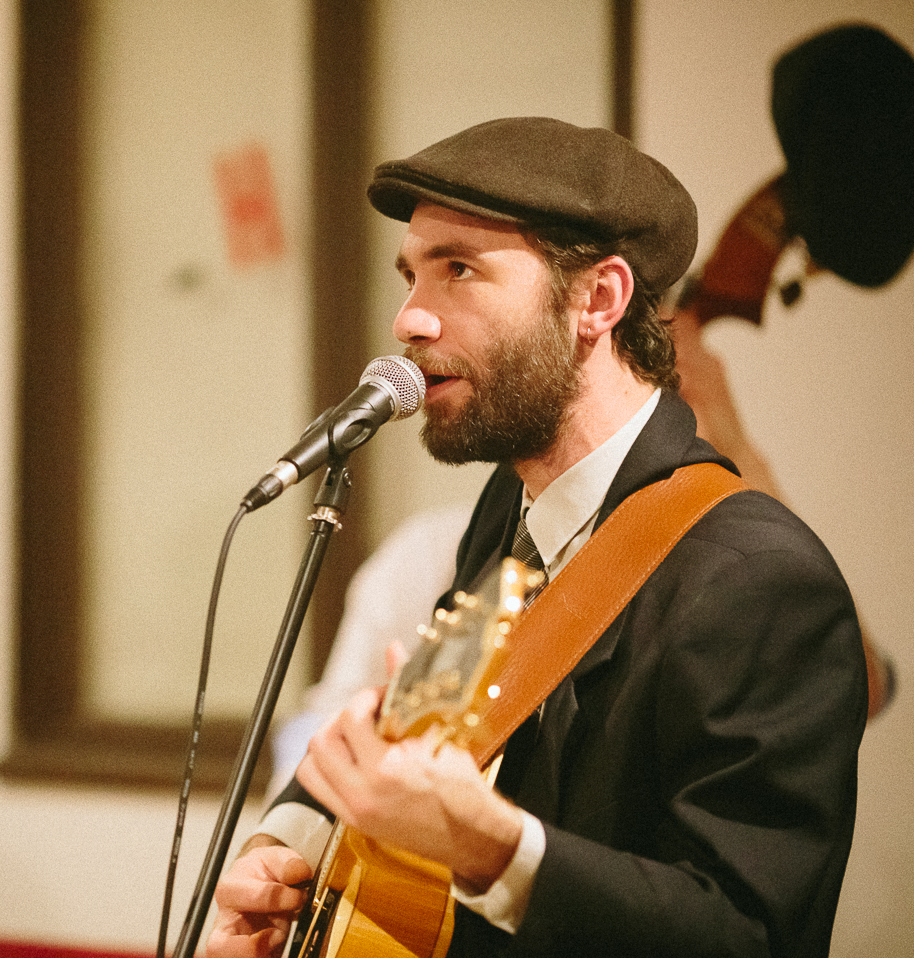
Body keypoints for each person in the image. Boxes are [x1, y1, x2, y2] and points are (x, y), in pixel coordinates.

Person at [209, 118, 865, 958]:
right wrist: (284, 853)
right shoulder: (507, 510)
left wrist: (492, 848)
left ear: (599, 300)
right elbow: (400, 734)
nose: (410, 318)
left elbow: (747, 932)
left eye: (460, 271)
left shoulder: (760, 578)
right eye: (411, 275)